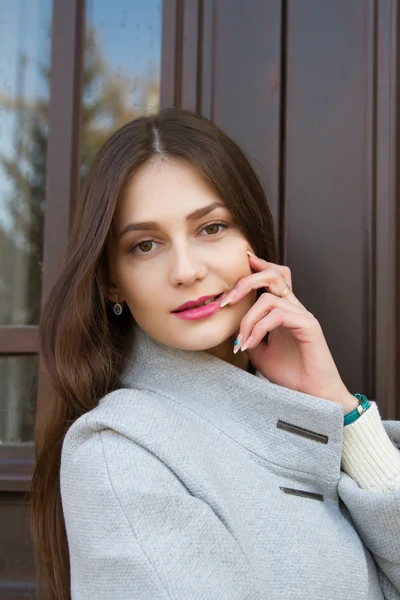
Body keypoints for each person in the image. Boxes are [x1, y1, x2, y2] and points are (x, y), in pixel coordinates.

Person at [31, 108, 400, 600]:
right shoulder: (118, 454)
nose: (185, 270)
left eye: (211, 228)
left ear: (254, 239)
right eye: (145, 245)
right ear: (112, 281)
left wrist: (337, 406)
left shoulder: (297, 411)